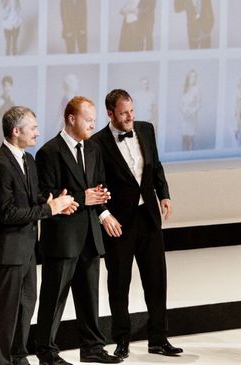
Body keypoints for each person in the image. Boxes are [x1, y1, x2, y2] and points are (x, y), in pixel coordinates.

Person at [91, 89, 182, 359]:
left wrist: (163, 194)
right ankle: (122, 339)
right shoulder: (97, 143)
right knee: (119, 283)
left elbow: (155, 166)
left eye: (131, 111)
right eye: (123, 113)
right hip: (119, 223)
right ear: (110, 114)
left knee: (156, 280)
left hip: (148, 217)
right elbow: (94, 183)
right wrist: (103, 214)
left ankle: (158, 338)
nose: (130, 117)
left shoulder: (146, 129)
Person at [0, 106, 78, 365]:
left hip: (27, 248)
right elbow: (7, 214)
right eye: (33, 128)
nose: (38, 133)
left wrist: (55, 202)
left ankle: (19, 356)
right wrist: (49, 209)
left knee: (26, 306)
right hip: (8, 250)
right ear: (16, 131)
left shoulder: (28, 159)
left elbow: (33, 198)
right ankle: (3, 361)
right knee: (6, 313)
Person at [34, 96, 121, 365]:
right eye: (88, 119)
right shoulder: (49, 152)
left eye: (95, 119)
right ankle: (47, 352)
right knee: (54, 298)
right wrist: (83, 197)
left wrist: (102, 197)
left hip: (89, 236)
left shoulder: (93, 149)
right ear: (71, 119)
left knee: (89, 297)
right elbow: (46, 195)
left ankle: (92, 347)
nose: (93, 124)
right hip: (62, 238)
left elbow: (98, 184)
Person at [0, 76, 15, 149]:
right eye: (5, 85)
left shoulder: (12, 101)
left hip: (10, 131)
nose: (6, 88)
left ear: (11, 87)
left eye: (8, 86)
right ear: (2, 87)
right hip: (0, 131)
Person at [179, 70, 201, 150]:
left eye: (195, 77)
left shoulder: (197, 89)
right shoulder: (183, 88)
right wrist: (183, 111)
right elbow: (180, 103)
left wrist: (193, 111)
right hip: (184, 117)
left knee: (191, 138)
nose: (194, 78)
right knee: (184, 138)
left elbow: (199, 103)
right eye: (192, 76)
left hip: (192, 117)